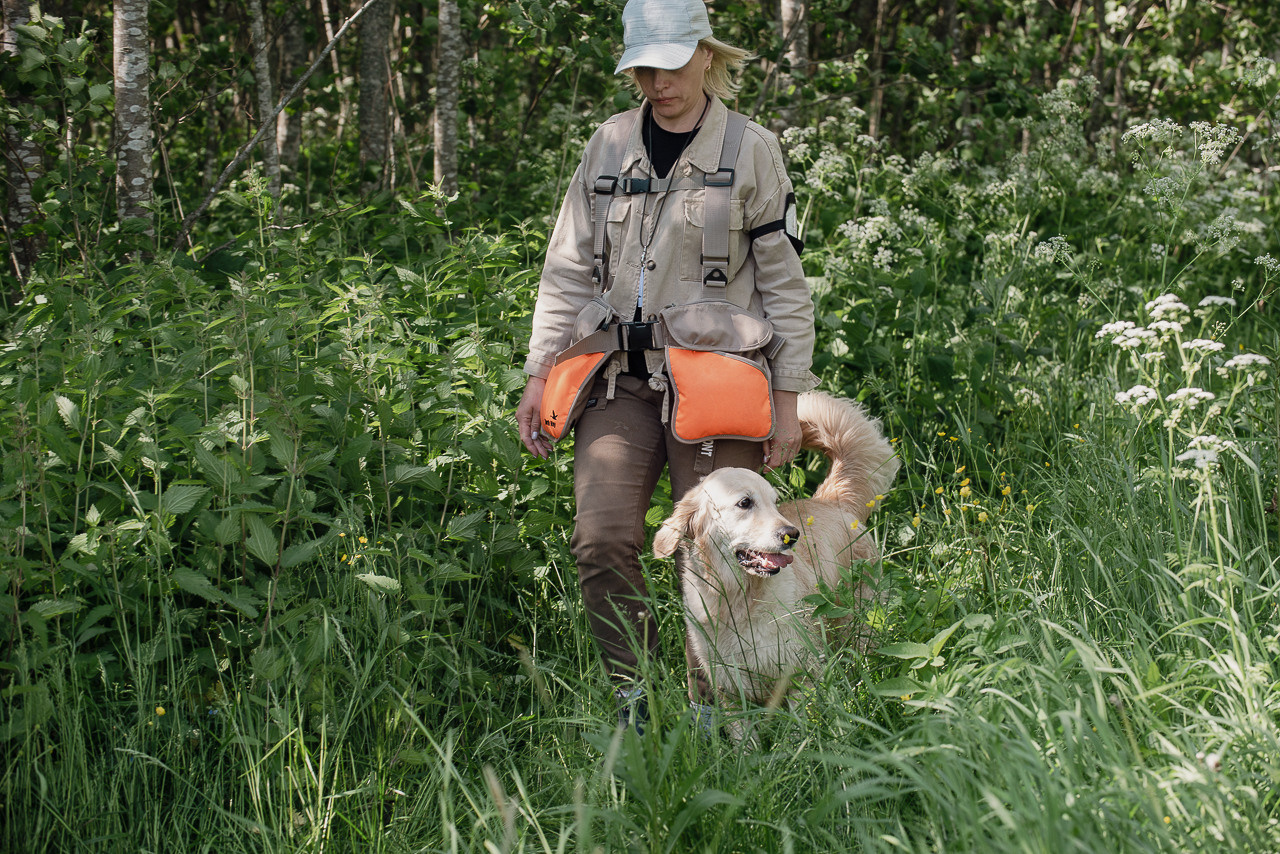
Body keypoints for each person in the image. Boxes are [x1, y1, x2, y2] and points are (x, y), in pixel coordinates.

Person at [515, 0, 817, 732]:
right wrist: (536, 374)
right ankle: (638, 697)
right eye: (644, 67)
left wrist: (787, 399)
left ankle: (720, 709)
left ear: (708, 55)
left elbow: (784, 285)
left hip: (717, 387)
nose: (658, 82)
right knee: (601, 539)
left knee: (725, 556)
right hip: (620, 377)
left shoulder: (751, 149)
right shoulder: (610, 143)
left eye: (673, 63)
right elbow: (566, 268)